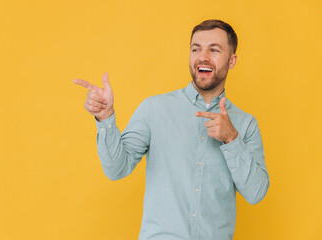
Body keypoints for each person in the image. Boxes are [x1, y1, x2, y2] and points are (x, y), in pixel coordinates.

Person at [74, 19, 269, 240]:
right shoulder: (154, 109)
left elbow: (256, 193)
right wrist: (105, 117)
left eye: (214, 49)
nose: (202, 56)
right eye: (196, 49)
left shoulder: (245, 124)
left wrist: (231, 140)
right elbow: (116, 170)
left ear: (232, 60)